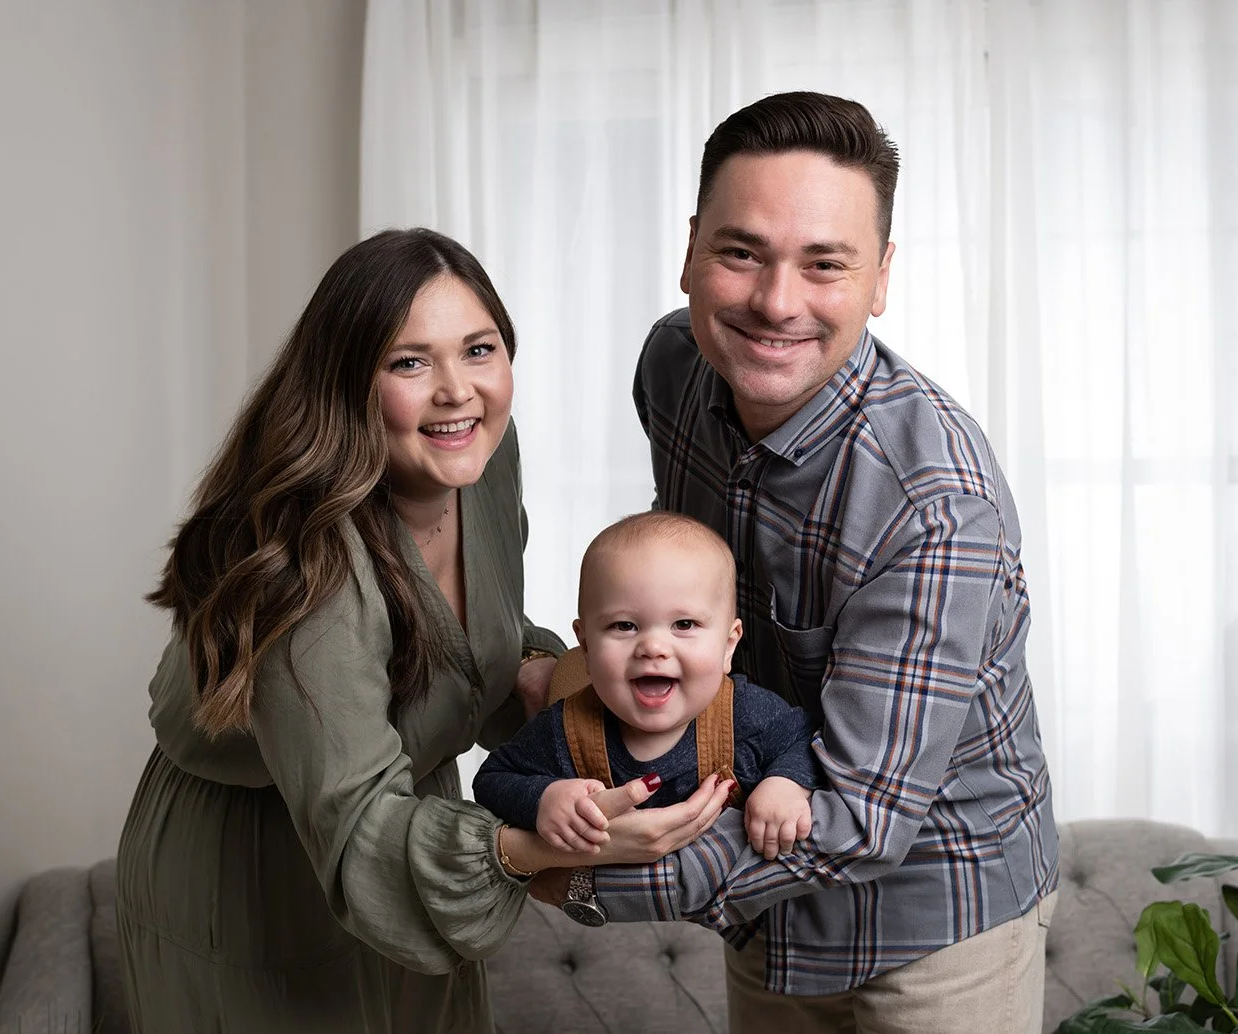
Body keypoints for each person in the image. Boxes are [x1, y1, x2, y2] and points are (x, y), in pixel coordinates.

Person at [114, 228, 733, 1033]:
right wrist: (531, 851)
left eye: (479, 350)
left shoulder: (479, 460)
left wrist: (551, 678)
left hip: (412, 812)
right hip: (265, 867)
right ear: (348, 385)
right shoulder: (312, 574)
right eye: (410, 362)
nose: (457, 392)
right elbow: (358, 821)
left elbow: (471, 636)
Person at [567, 91, 1061, 1033]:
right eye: (741, 251)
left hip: (936, 923)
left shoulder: (935, 498)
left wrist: (572, 875)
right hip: (763, 897)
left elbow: (865, 817)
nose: (774, 303)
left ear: (879, 280)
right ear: (689, 251)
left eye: (824, 265)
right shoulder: (673, 366)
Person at [473, 511, 822, 867]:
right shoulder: (564, 730)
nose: (653, 647)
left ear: (728, 645)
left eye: (684, 624)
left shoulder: (745, 714)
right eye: (625, 625)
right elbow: (492, 780)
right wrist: (544, 798)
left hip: (719, 911)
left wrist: (785, 783)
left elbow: (806, 738)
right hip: (604, 909)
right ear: (587, 649)